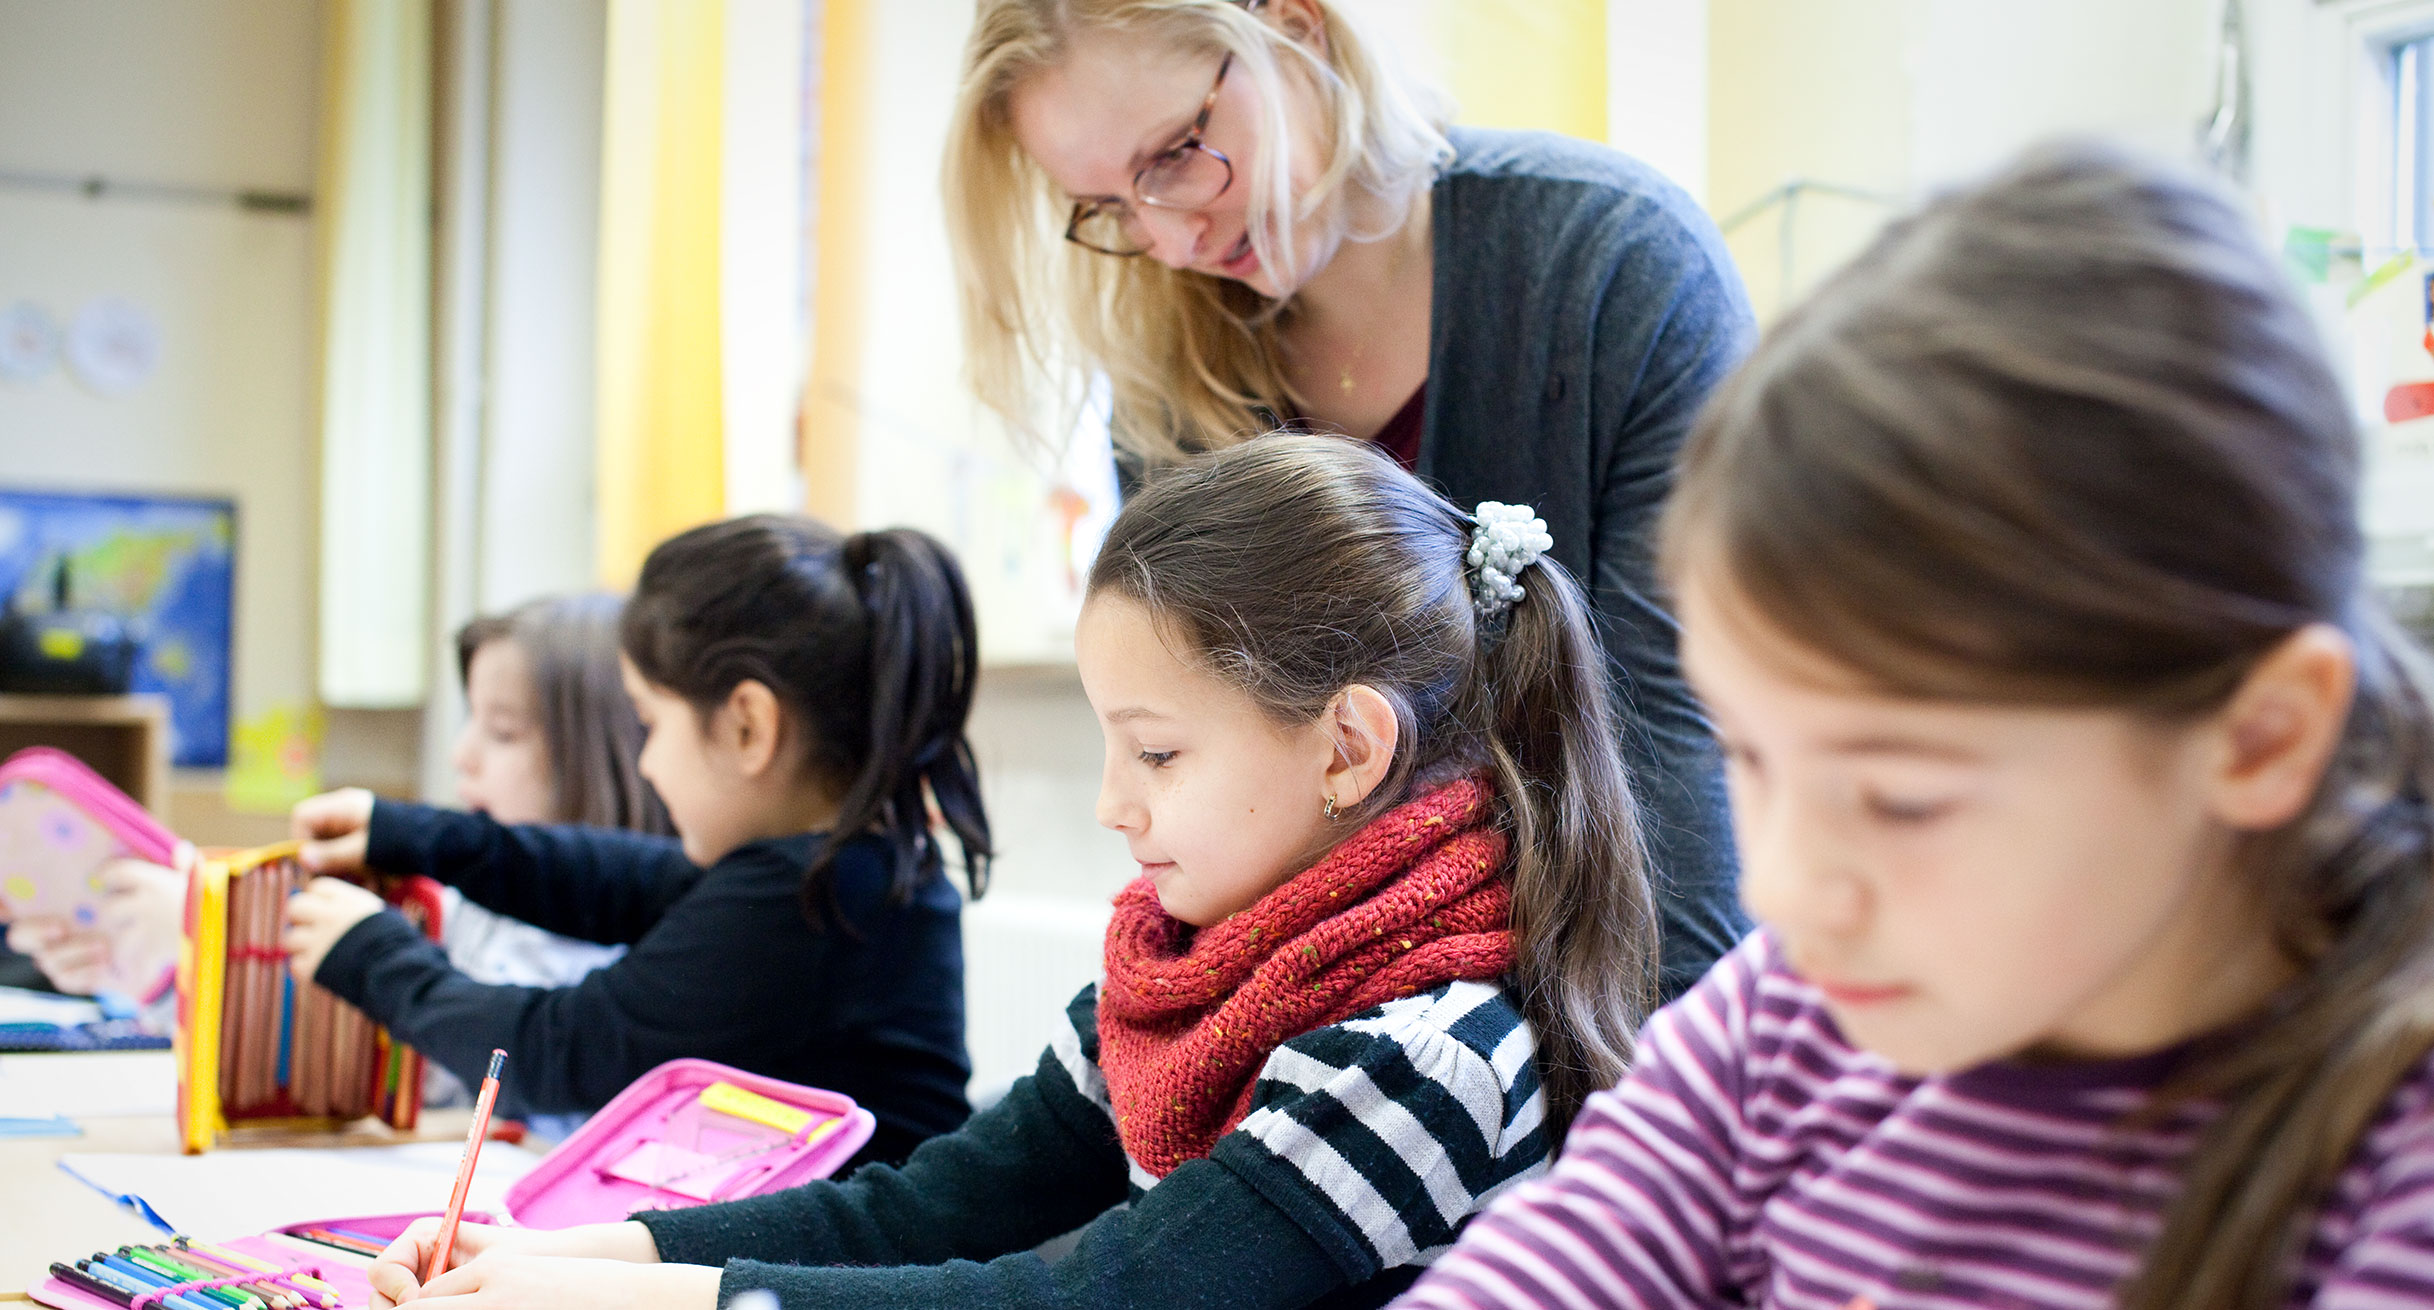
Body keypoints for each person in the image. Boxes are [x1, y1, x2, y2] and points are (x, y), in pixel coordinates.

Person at [1393, 146, 2434, 1309]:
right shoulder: (1792, 1012)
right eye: (1748, 753)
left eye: (1900, 798)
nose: (1781, 888)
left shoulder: (2394, 1170)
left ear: (2258, 740)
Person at [359, 435, 1660, 1310]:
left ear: (1348, 747)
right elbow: (933, 1207)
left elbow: (1092, 1296)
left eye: (1154, 750)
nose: (1109, 803)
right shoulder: (1184, 975)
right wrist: (578, 1252)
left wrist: (648, 1294)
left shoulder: (1430, 1050)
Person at [944, 0, 1753, 998]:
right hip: (1324, 1035)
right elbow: (1228, 827)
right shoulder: (1166, 388)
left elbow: (1685, 773)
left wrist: (1655, 1125)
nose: (1169, 234)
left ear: (1295, 25)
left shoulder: (1616, 268)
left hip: (1609, 1022)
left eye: (1174, 154)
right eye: (1107, 206)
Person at [281, 517, 990, 1169]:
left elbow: (551, 1050)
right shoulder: (845, 868)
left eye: (651, 721)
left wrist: (370, 956)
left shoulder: (809, 904)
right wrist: (407, 833)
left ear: (748, 727)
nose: (645, 762)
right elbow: (608, 878)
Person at [2, 596, 671, 1055]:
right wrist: (148, 968)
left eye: (500, 732)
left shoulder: (605, 955)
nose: (460, 753)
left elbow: (438, 1060)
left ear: (608, 751)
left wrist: (208, 938)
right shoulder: (465, 905)